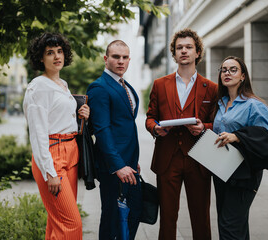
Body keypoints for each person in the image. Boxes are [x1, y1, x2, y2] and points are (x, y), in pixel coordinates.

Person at [145, 28, 217, 240]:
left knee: (201, 217)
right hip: (168, 158)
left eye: (189, 47)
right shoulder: (160, 84)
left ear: (197, 53)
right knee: (167, 217)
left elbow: (218, 123)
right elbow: (150, 117)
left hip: (199, 159)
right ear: (174, 53)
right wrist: (155, 128)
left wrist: (204, 127)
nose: (184, 51)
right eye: (179, 48)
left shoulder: (211, 88)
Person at [23, 32, 89, 240]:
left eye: (59, 51)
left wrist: (81, 114)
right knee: (71, 223)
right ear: (41, 58)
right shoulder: (38, 88)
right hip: (53, 155)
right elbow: (38, 133)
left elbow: (60, 118)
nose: (56, 56)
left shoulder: (62, 85)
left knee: (57, 222)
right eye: (50, 53)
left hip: (71, 151)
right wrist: (49, 172)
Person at [87, 40, 141, 240]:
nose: (121, 61)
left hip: (128, 164)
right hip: (113, 167)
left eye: (125, 57)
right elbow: (102, 130)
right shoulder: (99, 87)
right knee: (111, 218)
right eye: (116, 57)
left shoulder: (125, 85)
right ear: (105, 58)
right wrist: (118, 165)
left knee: (130, 216)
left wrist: (132, 161)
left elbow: (124, 126)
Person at [213, 56, 268, 239]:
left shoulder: (255, 105)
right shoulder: (221, 103)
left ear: (243, 76)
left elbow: (263, 139)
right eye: (224, 70)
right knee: (232, 223)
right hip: (222, 170)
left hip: (244, 173)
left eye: (233, 69)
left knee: (229, 226)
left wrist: (237, 136)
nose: (227, 73)